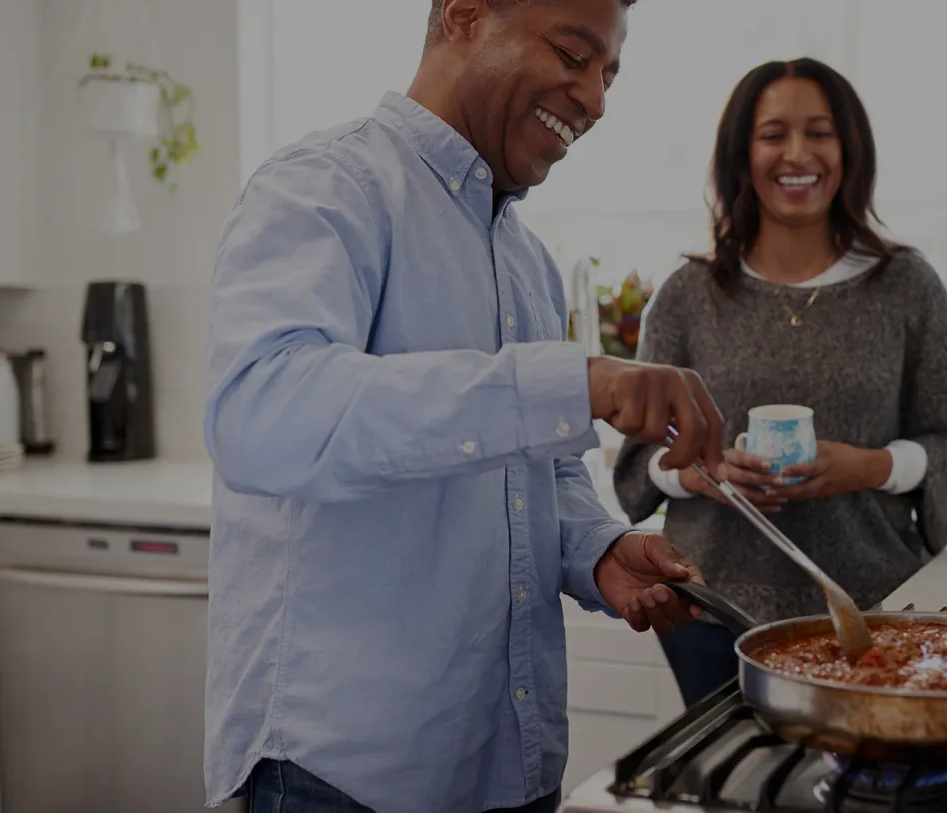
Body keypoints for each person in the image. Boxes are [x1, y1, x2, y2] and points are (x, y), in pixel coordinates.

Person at [201, 2, 726, 812]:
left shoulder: (528, 262)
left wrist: (595, 549)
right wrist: (573, 382)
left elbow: (541, 474)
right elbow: (264, 415)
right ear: (464, 15)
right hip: (340, 779)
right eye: (572, 53)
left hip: (509, 762)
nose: (594, 99)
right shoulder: (323, 188)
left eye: (608, 74)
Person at [613, 58, 947, 706]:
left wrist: (869, 466)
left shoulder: (907, 288)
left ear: (849, 149)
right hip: (713, 617)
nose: (797, 153)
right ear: (742, 153)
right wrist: (713, 474)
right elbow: (639, 467)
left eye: (819, 132)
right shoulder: (687, 297)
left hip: (873, 612)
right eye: (772, 134)